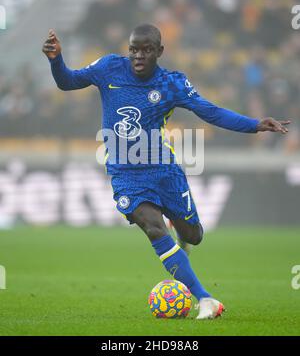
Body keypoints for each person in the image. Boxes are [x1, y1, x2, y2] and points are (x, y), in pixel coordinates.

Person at [42, 24, 290, 319]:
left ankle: (179, 231)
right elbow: (67, 82)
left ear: (159, 51)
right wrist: (56, 60)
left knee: (194, 236)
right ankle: (205, 298)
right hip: (125, 174)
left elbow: (209, 111)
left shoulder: (172, 84)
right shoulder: (108, 68)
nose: (138, 56)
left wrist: (254, 124)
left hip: (163, 171)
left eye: (146, 50)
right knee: (153, 227)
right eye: (134, 49)